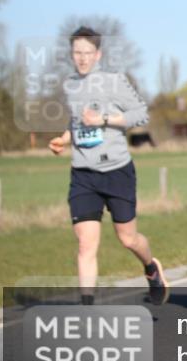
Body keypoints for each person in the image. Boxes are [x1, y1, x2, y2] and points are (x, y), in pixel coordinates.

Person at [48, 26, 168, 305]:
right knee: (85, 245)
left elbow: (140, 114)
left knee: (128, 239)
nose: (82, 58)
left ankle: (151, 268)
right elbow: (77, 122)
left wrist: (103, 119)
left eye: (87, 53)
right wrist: (64, 139)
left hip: (116, 171)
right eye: (77, 52)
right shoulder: (70, 85)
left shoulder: (114, 82)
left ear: (98, 54)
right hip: (83, 174)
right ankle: (87, 309)